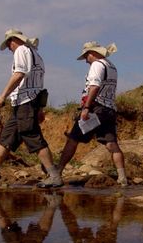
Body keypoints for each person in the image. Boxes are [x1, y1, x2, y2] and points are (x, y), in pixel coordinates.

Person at [0, 29, 62, 187]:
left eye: (9, 43)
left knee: (32, 135)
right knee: (8, 136)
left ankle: (54, 175)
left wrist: (3, 95)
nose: (9, 47)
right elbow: (39, 83)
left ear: (14, 40)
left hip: (25, 102)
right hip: (26, 102)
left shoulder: (21, 50)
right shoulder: (36, 54)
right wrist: (40, 108)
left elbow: (19, 74)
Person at [38, 41, 128, 188]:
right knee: (111, 144)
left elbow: (94, 87)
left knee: (73, 138)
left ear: (92, 53)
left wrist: (86, 107)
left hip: (95, 109)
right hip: (109, 109)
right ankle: (122, 177)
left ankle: (57, 172)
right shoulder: (111, 66)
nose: (86, 60)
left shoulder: (97, 65)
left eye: (86, 56)